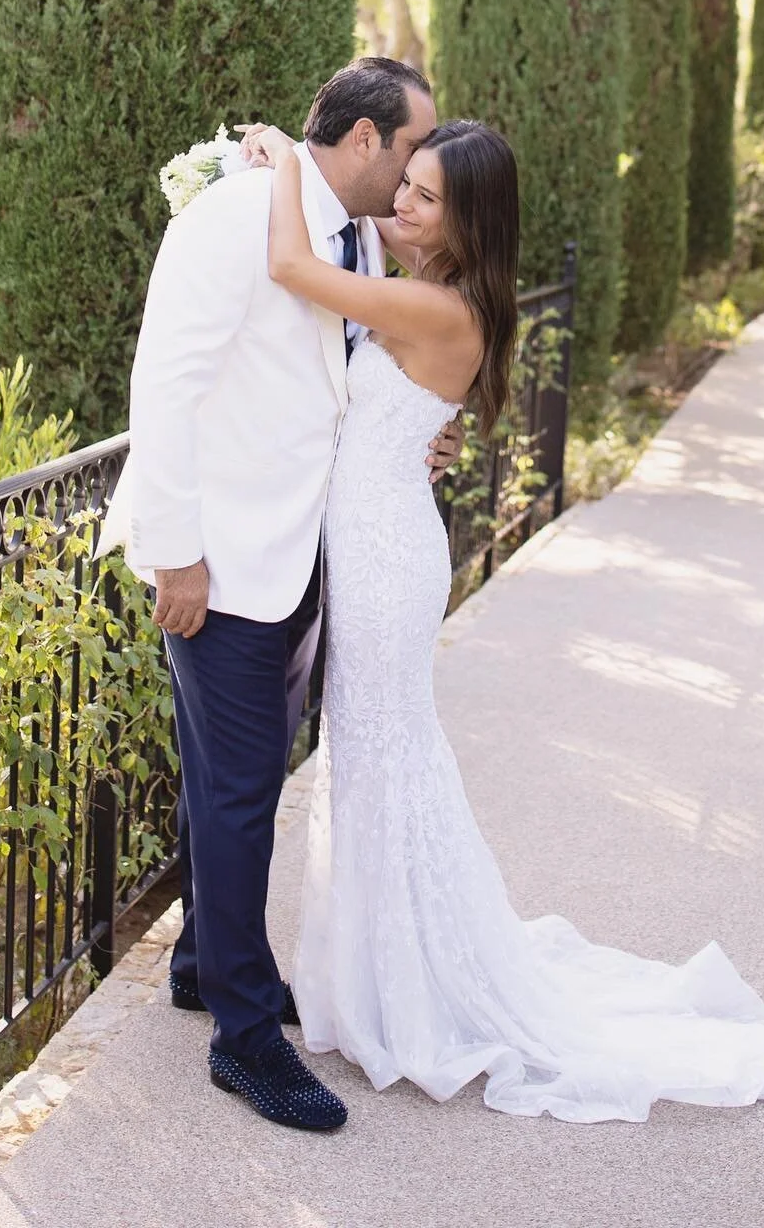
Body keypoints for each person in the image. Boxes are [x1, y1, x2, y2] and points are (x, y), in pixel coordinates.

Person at [243, 116, 764, 1123]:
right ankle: (379, 973)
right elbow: (360, 249)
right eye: (405, 183)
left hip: (384, 562)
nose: (400, 203)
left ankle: (410, 990)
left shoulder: (437, 308)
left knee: (380, 757)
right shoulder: (438, 290)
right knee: (370, 757)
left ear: (468, 222)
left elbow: (293, 263)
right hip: (380, 542)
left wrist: (286, 154)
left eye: (425, 196)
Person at [99, 58, 464, 1134]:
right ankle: (246, 1039)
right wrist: (176, 556)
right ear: (365, 139)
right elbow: (166, 386)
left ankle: (205, 964)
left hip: (300, 559)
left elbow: (343, 370)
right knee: (242, 795)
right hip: (222, 564)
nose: (419, 173)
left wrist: (417, 434)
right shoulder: (236, 217)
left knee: (226, 780)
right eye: (413, 148)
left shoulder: (350, 233)